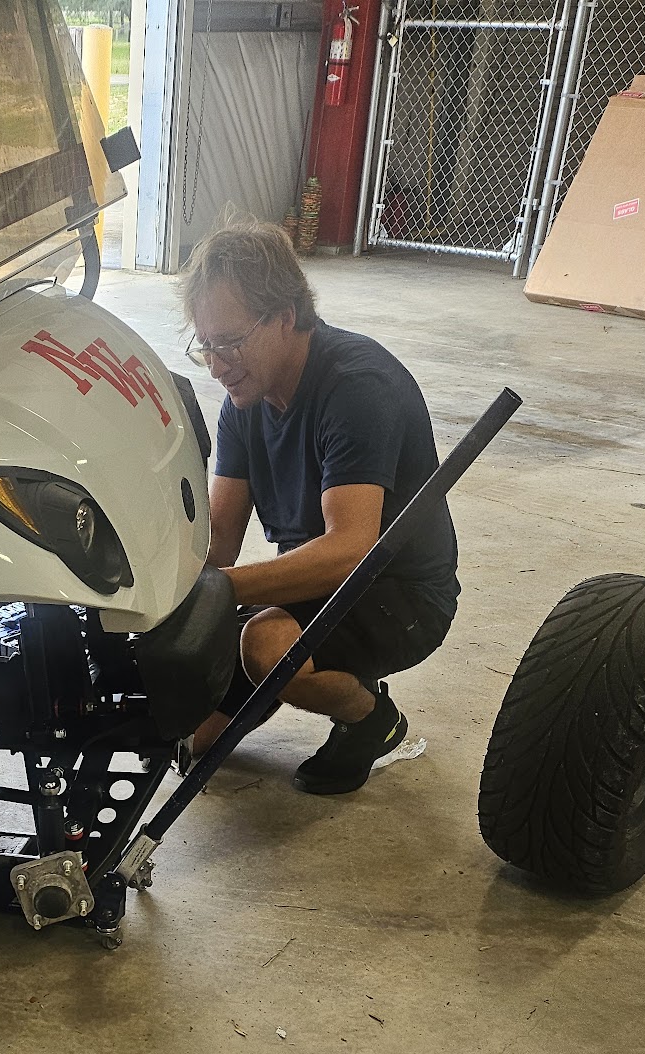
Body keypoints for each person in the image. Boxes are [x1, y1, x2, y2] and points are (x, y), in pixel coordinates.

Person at [182, 220, 459, 794]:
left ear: (285, 316)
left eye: (229, 341)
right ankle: (273, 677)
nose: (216, 364)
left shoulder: (358, 387)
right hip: (315, 582)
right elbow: (219, 542)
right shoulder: (245, 401)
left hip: (397, 591)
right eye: (205, 344)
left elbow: (350, 550)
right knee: (189, 738)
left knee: (265, 646)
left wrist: (218, 594)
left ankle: (370, 718)